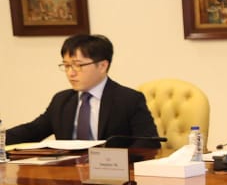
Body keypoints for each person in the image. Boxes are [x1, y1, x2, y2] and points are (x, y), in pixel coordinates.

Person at [5, 34, 160, 148]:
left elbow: (149, 142)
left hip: (112, 174)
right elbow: (33, 130)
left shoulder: (128, 99)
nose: (70, 73)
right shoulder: (61, 100)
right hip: (66, 173)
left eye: (78, 65)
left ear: (102, 66)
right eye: (66, 66)